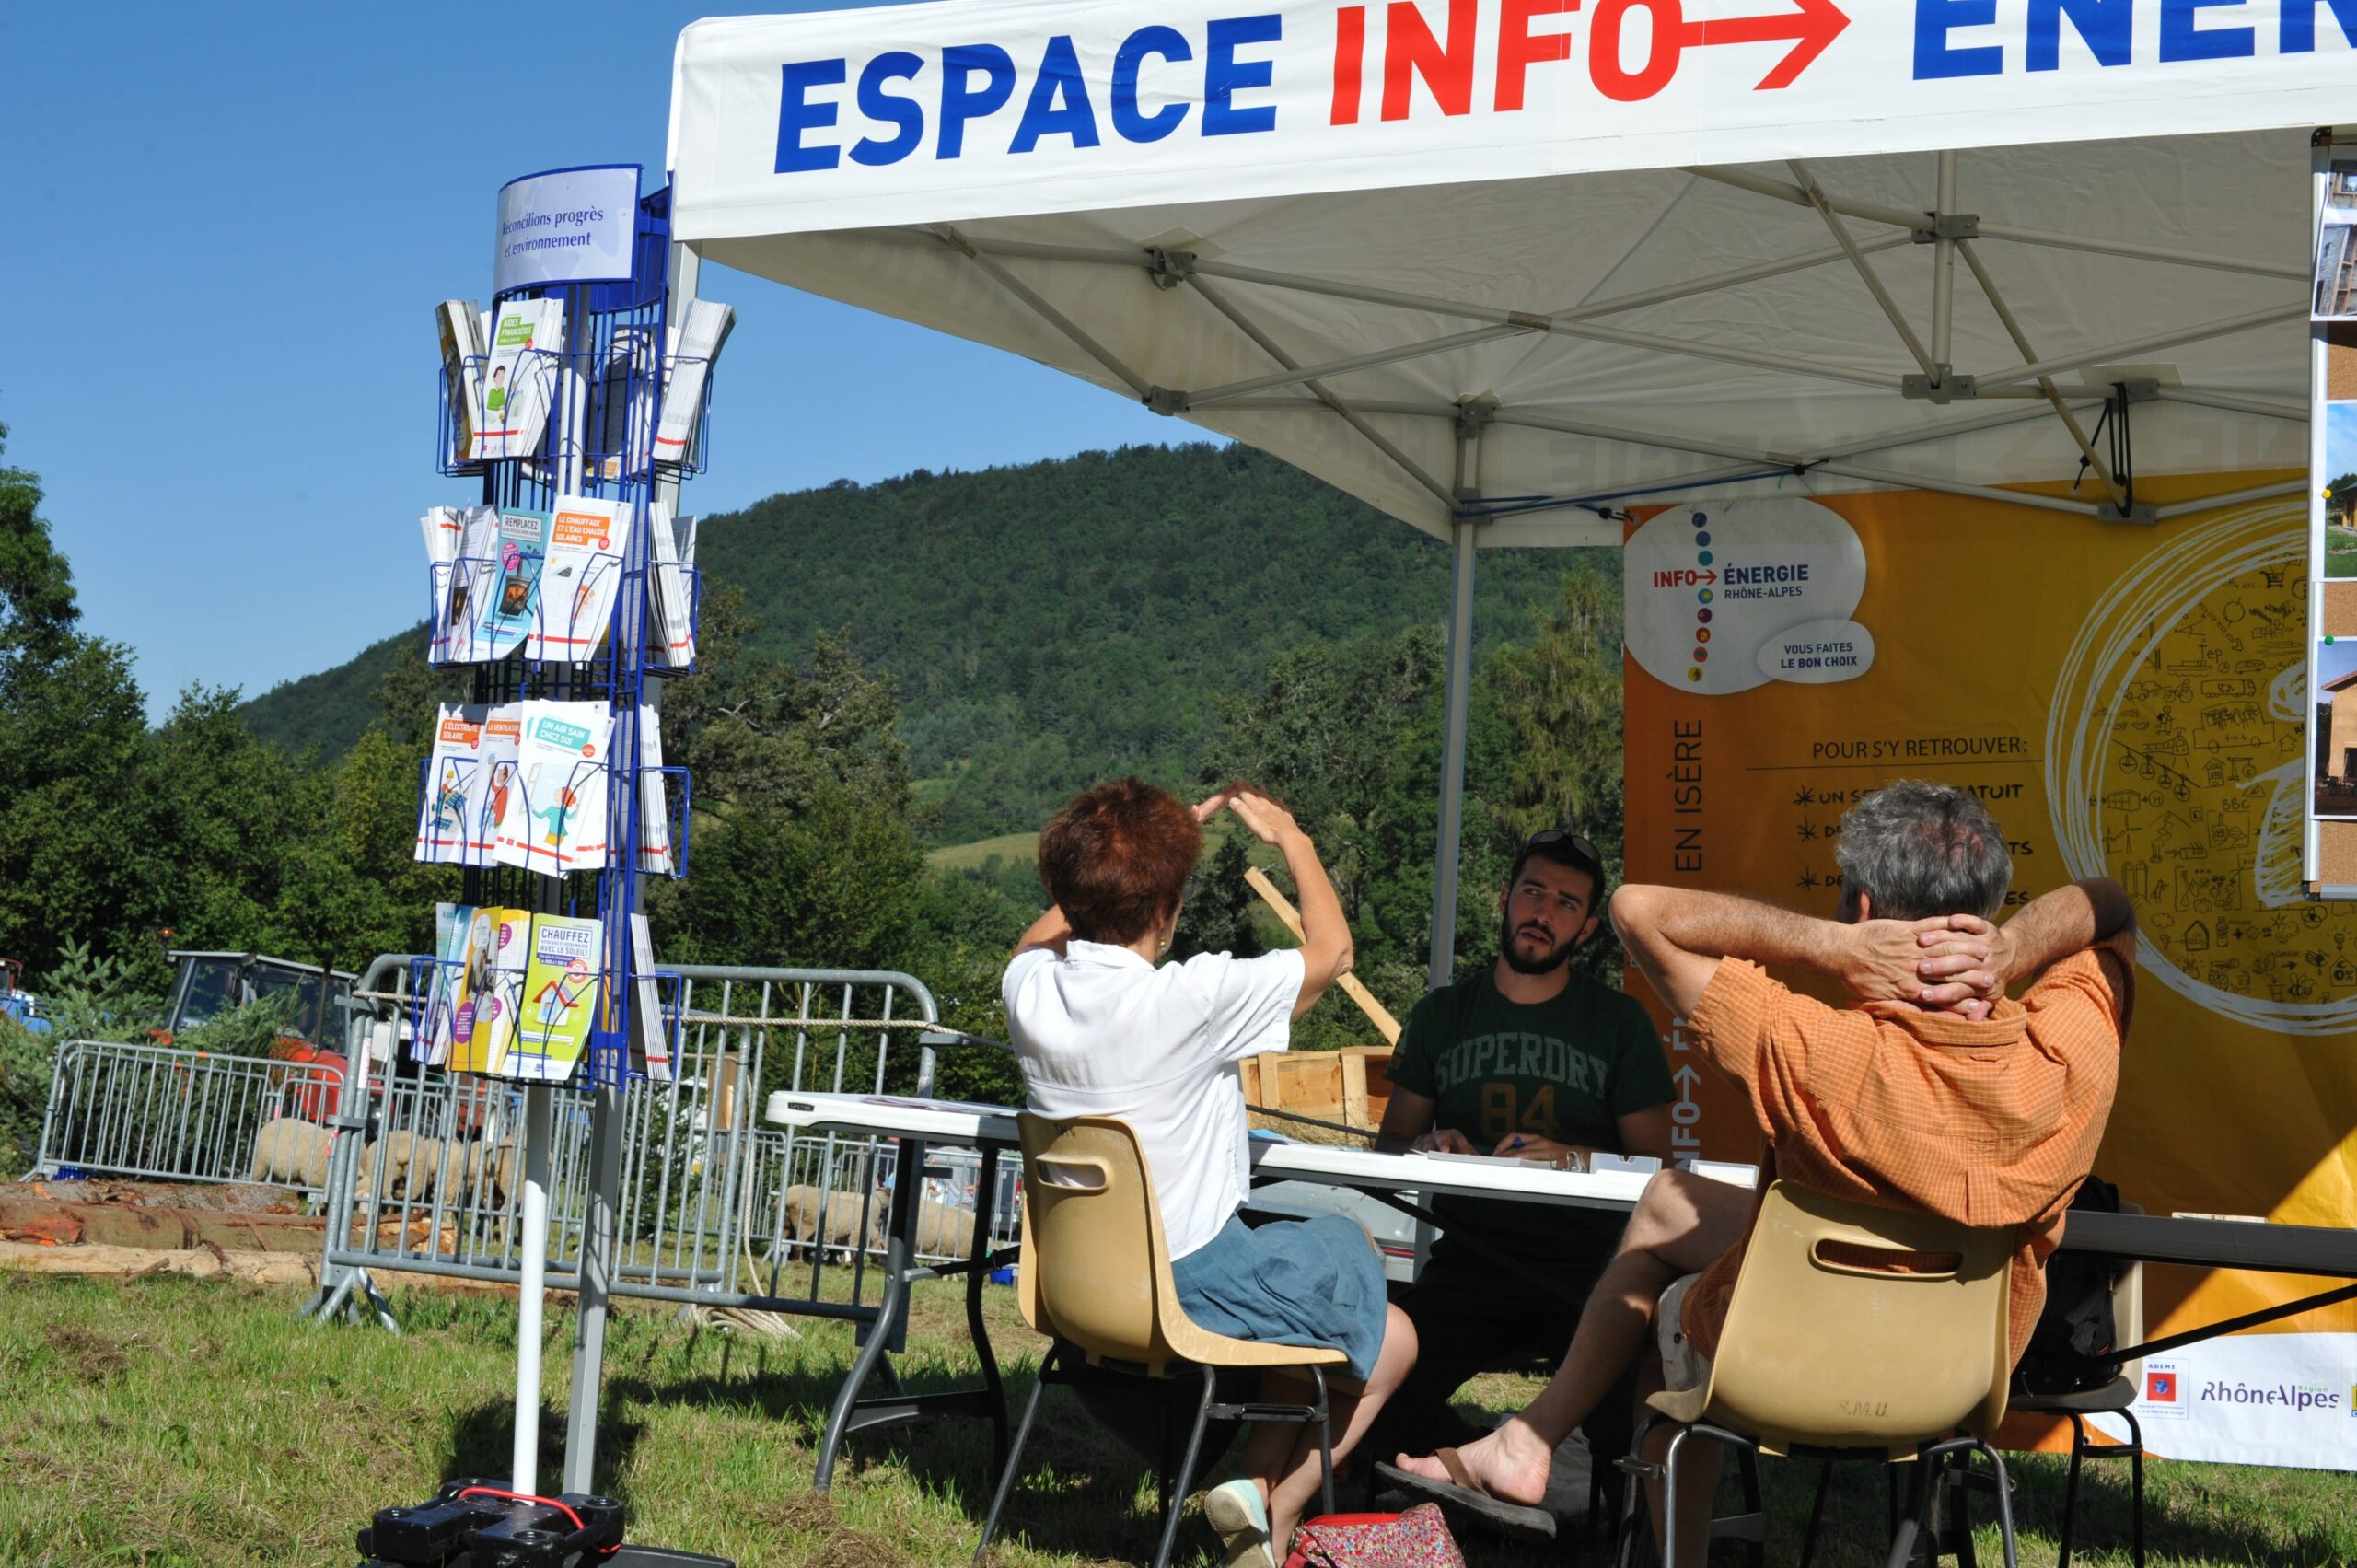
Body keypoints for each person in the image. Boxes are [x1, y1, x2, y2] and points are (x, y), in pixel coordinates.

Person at [1387, 781, 2130, 1563]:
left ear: (1864, 912)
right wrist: (2007, 947)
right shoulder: (2066, 1054)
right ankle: (1531, 1440)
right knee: (1668, 1201)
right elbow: (2110, 905)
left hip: (1785, 1368)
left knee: (1669, 1311)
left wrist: (1831, 948)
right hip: (1956, 1385)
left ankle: (1598, 1492)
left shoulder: (1809, 1046)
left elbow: (1639, 909)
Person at [1004, 778, 1420, 1567]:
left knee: (1312, 1306)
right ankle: (1274, 1504)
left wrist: (1124, 864)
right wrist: (1293, 838)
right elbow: (1333, 953)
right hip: (1189, 1284)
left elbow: (1032, 943)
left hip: (1077, 1289)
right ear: (1167, 906)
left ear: (1068, 890)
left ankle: (1258, 1506)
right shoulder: (1189, 998)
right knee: (1365, 1284)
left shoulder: (1030, 994)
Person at [1364, 828, 1672, 1489]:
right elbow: (1391, 1147)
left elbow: (1658, 1165)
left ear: (1587, 928)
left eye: (1566, 903)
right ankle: (1479, 1451)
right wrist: (1431, 1146)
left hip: (1590, 1272)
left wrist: (1576, 1156)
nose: (1543, 912)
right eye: (1532, 891)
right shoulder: (1443, 1013)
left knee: (1627, 1460)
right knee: (1376, 1418)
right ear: (1504, 898)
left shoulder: (1619, 1022)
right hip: (1469, 1257)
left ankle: (1535, 1462)